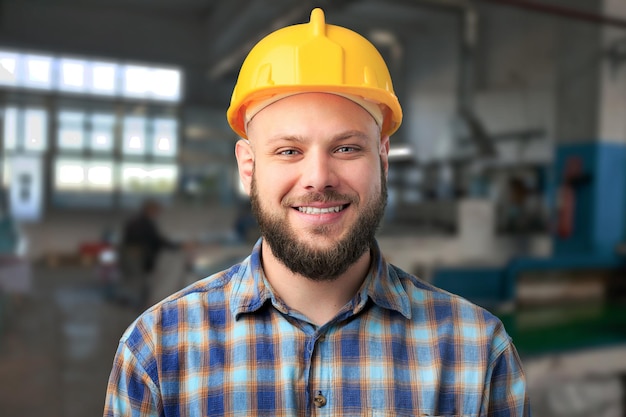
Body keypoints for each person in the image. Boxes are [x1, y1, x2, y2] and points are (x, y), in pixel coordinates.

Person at [104, 8, 530, 416]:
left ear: (383, 159)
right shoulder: (157, 352)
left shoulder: (477, 354)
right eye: (289, 151)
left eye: (346, 148)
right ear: (248, 166)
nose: (318, 178)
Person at [119, 199, 181, 308]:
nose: (157, 214)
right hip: (137, 257)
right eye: (155, 211)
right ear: (149, 210)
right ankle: (139, 305)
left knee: (139, 281)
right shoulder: (143, 223)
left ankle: (138, 303)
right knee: (139, 281)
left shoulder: (138, 221)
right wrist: (177, 246)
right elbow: (156, 240)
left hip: (135, 257)